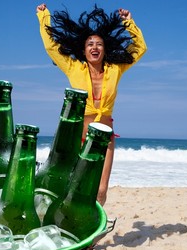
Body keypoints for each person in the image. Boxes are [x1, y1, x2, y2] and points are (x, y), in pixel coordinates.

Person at [36, 3, 147, 206]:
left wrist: (128, 22)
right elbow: (51, 47)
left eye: (99, 44)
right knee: (72, 187)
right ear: (84, 50)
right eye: (90, 44)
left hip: (105, 139)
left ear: (105, 49)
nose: (94, 47)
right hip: (77, 137)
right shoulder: (73, 68)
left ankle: (93, 237)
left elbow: (140, 48)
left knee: (101, 191)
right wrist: (44, 16)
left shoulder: (116, 69)